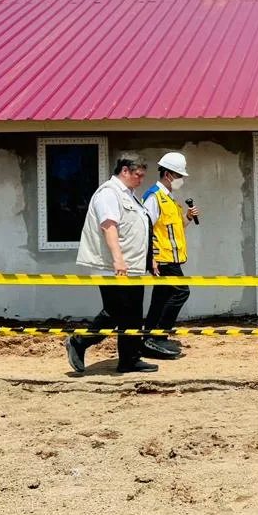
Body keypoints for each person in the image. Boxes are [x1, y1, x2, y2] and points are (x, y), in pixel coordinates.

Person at [66, 153, 158, 374]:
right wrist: (118, 258)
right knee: (116, 312)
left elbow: (139, 227)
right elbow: (109, 227)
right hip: (113, 267)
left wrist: (149, 258)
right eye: (138, 175)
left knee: (134, 314)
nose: (141, 180)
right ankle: (79, 342)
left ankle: (130, 359)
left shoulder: (131, 196)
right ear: (124, 170)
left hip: (133, 267)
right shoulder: (109, 193)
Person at [141, 152, 199, 360]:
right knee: (181, 292)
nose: (181, 180)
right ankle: (159, 336)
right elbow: (145, 228)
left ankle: (149, 338)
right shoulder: (153, 196)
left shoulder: (169, 198)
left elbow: (174, 228)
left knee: (161, 298)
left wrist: (188, 218)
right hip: (162, 258)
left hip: (171, 257)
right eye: (179, 176)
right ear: (167, 174)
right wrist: (151, 257)